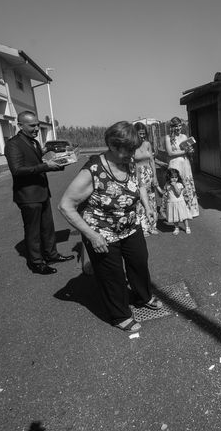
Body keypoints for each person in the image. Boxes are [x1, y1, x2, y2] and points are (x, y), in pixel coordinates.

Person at [58, 121, 162, 333]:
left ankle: (143, 297)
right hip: (101, 232)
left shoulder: (130, 162)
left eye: (134, 149)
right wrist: (91, 236)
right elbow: (66, 206)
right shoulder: (93, 169)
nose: (133, 154)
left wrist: (148, 205)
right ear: (113, 146)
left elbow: (140, 185)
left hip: (131, 226)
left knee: (139, 262)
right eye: (128, 149)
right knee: (112, 276)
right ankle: (120, 315)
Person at [5, 111, 73, 275]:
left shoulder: (34, 142)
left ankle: (51, 255)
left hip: (42, 192)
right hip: (28, 196)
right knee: (33, 231)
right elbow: (17, 170)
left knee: (48, 228)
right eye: (32, 125)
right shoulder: (13, 144)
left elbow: (37, 163)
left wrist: (61, 161)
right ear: (20, 126)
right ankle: (36, 263)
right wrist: (46, 166)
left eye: (37, 125)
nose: (37, 128)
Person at [163, 116, 199, 218]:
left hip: (185, 164)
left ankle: (189, 211)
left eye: (180, 125)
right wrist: (184, 151)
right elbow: (170, 153)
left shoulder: (184, 136)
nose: (178, 128)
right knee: (175, 187)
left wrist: (191, 151)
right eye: (176, 126)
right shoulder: (168, 138)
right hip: (174, 165)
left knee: (186, 186)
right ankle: (176, 213)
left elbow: (188, 151)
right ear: (172, 127)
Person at [133, 122, 160, 237]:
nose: (142, 136)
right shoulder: (132, 146)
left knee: (151, 200)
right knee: (140, 201)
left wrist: (155, 177)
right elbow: (132, 162)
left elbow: (152, 161)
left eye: (144, 134)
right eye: (140, 134)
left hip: (149, 174)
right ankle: (143, 227)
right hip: (138, 174)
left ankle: (152, 225)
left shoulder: (148, 143)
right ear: (135, 134)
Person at [164, 168, 192, 235]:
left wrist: (175, 185)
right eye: (172, 177)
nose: (174, 179)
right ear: (169, 177)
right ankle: (176, 227)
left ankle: (187, 227)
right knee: (175, 216)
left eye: (176, 177)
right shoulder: (167, 185)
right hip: (172, 203)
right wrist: (157, 187)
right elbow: (164, 193)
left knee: (184, 216)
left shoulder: (179, 184)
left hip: (180, 202)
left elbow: (178, 193)